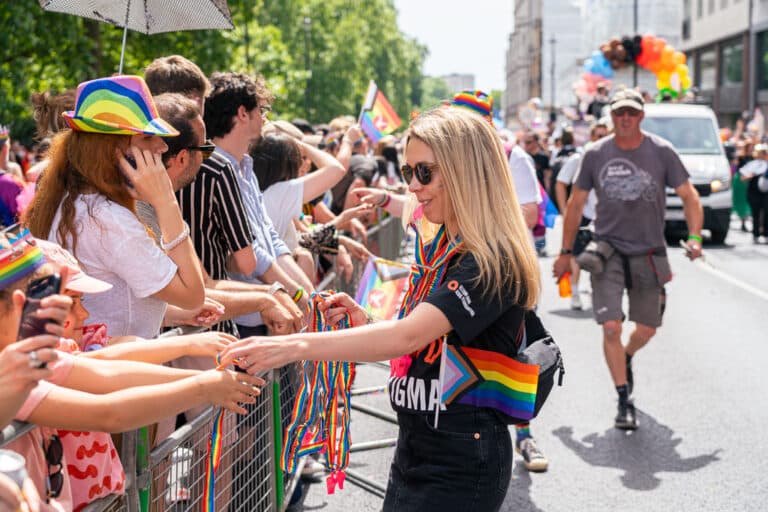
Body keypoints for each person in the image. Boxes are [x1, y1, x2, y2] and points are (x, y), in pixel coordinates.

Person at [220, 106, 541, 511]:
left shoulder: (490, 257)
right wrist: (368, 320)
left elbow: (406, 336)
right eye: (409, 173)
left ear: (466, 171)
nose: (414, 187)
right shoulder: (445, 244)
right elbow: (428, 335)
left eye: (425, 172)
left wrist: (292, 346)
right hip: (421, 444)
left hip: (461, 454)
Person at [553, 88, 703, 430]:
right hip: (607, 251)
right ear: (611, 116)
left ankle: (628, 355)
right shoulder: (594, 154)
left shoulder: (662, 152)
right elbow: (576, 205)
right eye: (619, 112)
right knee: (610, 327)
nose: (625, 119)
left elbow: (690, 196)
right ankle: (623, 399)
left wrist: (694, 237)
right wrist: (564, 253)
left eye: (631, 113)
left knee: (647, 329)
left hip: (650, 252)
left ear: (641, 116)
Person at [24, 75, 206, 339]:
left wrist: (173, 313)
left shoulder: (71, 200)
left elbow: (108, 302)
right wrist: (166, 203)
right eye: (146, 138)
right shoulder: (107, 219)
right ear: (112, 149)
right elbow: (193, 295)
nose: (162, 146)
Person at [194, 72, 314, 338]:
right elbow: (251, 256)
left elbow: (270, 238)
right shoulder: (215, 170)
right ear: (242, 114)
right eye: (261, 110)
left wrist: (307, 294)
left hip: (268, 307)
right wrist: (298, 295)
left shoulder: (245, 167)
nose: (265, 118)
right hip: (245, 315)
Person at [554, 122, 609, 310]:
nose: (601, 139)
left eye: (604, 135)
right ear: (592, 137)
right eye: (598, 136)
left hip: (603, 217)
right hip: (582, 215)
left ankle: (596, 293)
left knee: (600, 258)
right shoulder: (580, 158)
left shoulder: (613, 158)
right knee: (576, 257)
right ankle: (575, 293)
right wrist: (565, 210)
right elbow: (560, 183)